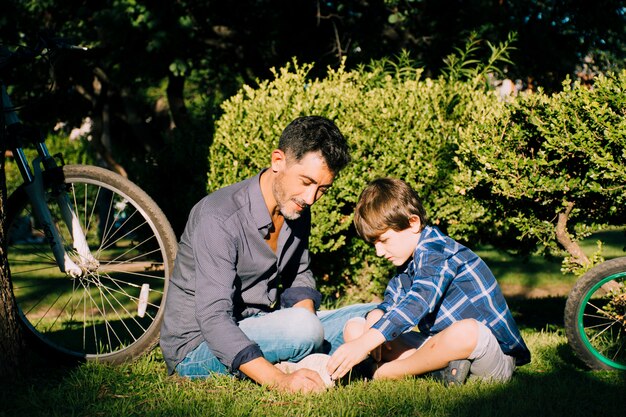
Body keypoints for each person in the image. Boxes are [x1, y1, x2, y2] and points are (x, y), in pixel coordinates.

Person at [160, 116, 374, 393]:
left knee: (371, 316)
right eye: (306, 182)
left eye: (322, 189)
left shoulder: (296, 209)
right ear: (278, 161)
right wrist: (280, 380)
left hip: (261, 327)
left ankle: (309, 355)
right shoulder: (217, 217)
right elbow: (213, 319)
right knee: (305, 329)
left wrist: (308, 328)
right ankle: (305, 360)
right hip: (197, 346)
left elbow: (299, 274)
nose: (310, 198)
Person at [326, 178, 531, 385]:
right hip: (440, 348)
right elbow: (390, 303)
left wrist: (365, 344)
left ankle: (382, 373)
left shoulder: (437, 252)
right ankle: (438, 372)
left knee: (466, 331)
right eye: (374, 244)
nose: (379, 252)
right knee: (355, 327)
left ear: (413, 223)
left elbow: (418, 302)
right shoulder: (407, 265)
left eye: (384, 240)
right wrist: (374, 319)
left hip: (489, 356)